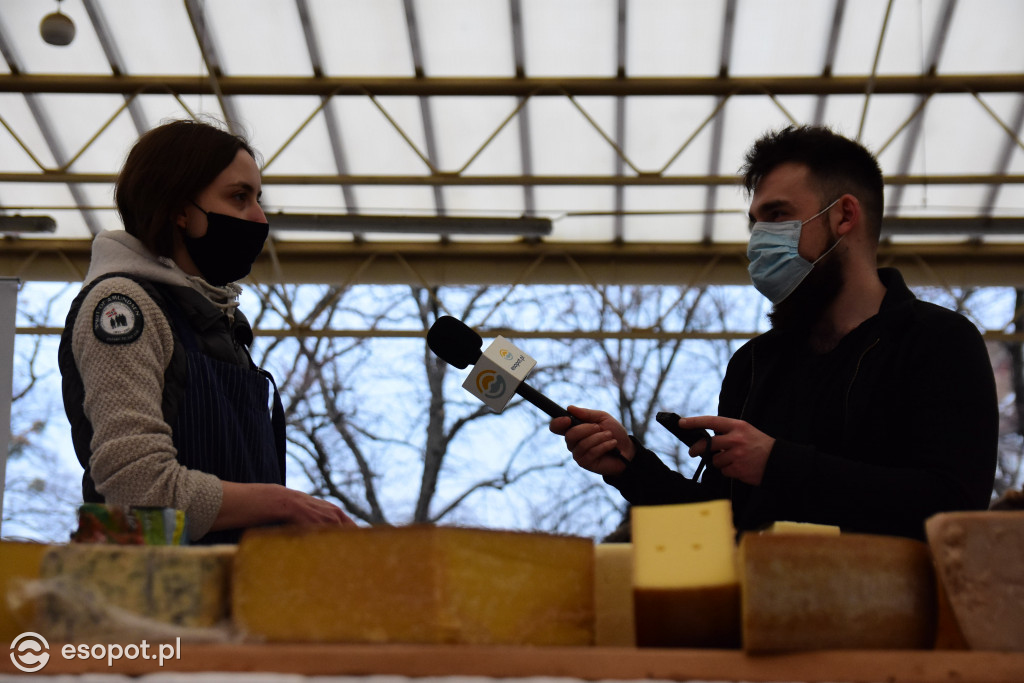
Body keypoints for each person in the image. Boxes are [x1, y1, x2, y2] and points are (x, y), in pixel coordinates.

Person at [551, 125, 998, 541]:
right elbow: (724, 525)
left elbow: (955, 508)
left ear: (844, 215)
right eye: (756, 223)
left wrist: (778, 463)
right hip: (760, 619)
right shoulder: (755, 363)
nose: (759, 240)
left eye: (778, 215)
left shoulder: (938, 340)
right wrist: (631, 466)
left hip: (891, 622)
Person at [59, 119, 355, 544]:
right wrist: (285, 503)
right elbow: (138, 489)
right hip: (156, 596)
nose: (259, 217)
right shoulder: (124, 304)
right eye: (239, 198)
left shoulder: (212, 317)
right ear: (180, 209)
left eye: (258, 198)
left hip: (232, 591)